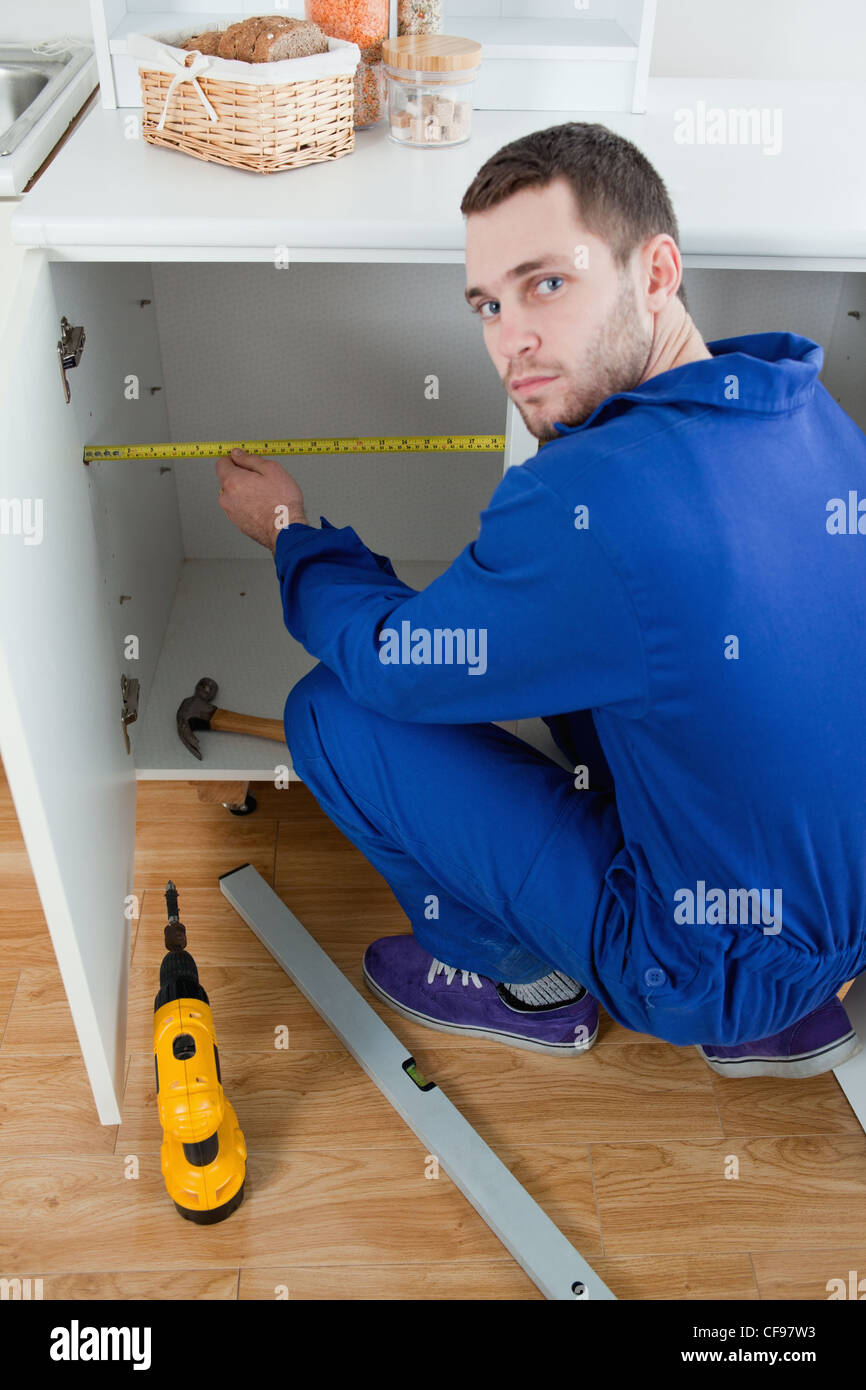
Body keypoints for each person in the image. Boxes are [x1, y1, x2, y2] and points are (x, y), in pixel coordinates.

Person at [215, 122, 866, 1079]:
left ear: (655, 271)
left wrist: (290, 536)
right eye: (486, 303)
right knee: (609, 662)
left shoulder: (592, 498)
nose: (508, 339)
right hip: (839, 920)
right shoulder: (805, 407)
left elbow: (397, 663)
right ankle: (788, 991)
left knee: (332, 711)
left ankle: (527, 985)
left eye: (546, 284)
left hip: (706, 961)